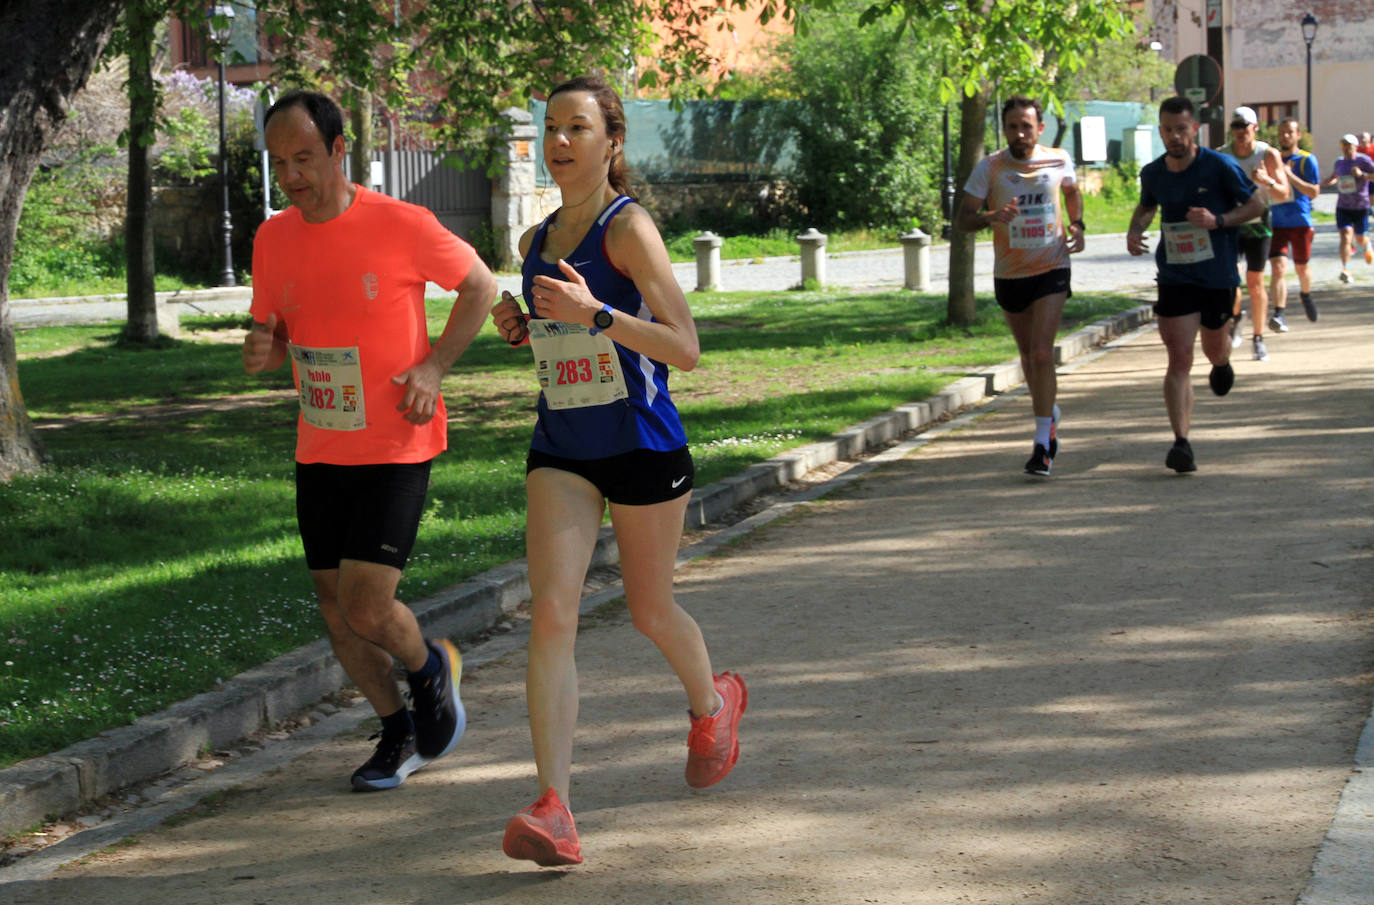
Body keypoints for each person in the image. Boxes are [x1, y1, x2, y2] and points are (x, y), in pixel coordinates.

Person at [489, 75, 746, 867]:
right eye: (552, 127)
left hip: (640, 443)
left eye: (578, 127)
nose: (561, 142)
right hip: (563, 445)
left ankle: (714, 703)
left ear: (612, 141)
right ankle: (555, 806)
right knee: (552, 614)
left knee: (648, 609)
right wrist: (520, 325)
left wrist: (595, 313)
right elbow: (557, 341)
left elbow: (685, 347)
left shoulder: (627, 229)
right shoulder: (536, 240)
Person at [242, 91, 497, 791]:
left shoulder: (401, 223)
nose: (292, 175)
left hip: (396, 443)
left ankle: (428, 669)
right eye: (279, 162)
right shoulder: (273, 238)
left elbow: (480, 285)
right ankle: (396, 729)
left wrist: (434, 366)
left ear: (337, 149)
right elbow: (280, 328)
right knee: (334, 606)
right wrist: (265, 346)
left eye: (304, 158)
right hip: (320, 446)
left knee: (367, 604)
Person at [1127, 96, 1263, 473]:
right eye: (1168, 130)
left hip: (1217, 275)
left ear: (1195, 129)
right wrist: (1134, 229)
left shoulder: (1219, 166)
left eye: (1181, 129)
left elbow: (1257, 205)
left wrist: (1218, 220)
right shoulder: (1153, 173)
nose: (1175, 136)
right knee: (1179, 357)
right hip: (1175, 275)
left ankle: (1222, 363)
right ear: (1161, 131)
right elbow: (1146, 206)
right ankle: (1181, 443)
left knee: (1213, 350)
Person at [955, 96, 1084, 476]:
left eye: (1026, 126)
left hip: (1052, 266)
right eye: (1012, 126)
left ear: (1039, 128)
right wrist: (993, 216)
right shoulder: (990, 167)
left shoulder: (1058, 159)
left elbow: (1072, 192)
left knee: (1043, 354)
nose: (1020, 133)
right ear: (1005, 129)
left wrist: (1077, 225)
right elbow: (963, 219)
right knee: (1028, 357)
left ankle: (1042, 444)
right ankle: (1050, 413)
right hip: (1010, 273)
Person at [1218, 106, 1289, 363]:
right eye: (1235, 126)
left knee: (1255, 283)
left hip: (1259, 224)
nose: (1239, 132)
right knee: (1230, 282)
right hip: (1231, 224)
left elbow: (1284, 194)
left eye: (1244, 126)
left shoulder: (1268, 154)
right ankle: (1237, 317)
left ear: (1255, 127)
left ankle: (1258, 339)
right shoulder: (1220, 155)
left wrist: (1266, 181)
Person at [1268, 118, 1321, 325]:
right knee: (1278, 267)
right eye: (1282, 132)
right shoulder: (1273, 158)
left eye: (1289, 132)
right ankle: (1279, 313)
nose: (1285, 136)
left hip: (1300, 221)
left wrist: (1289, 175)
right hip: (1277, 223)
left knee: (1301, 268)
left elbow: (1314, 192)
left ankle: (1306, 294)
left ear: (1298, 135)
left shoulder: (1307, 160)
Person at [1322, 134, 1374, 283]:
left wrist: (1362, 175)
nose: (1346, 149)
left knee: (1359, 237)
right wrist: (1330, 181)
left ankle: (1366, 245)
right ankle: (1346, 269)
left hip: (1360, 205)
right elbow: (1335, 176)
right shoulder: (1339, 162)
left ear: (1355, 147)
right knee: (1345, 236)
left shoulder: (1363, 160)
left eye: (1349, 146)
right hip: (1343, 205)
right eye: (1344, 146)